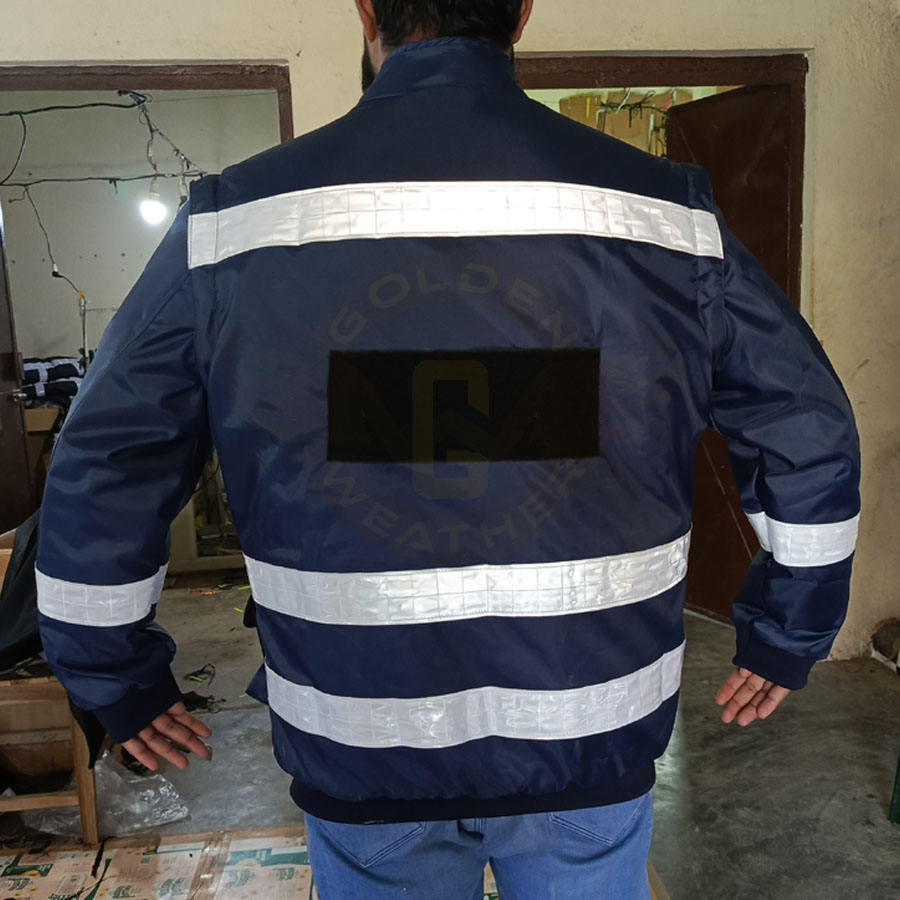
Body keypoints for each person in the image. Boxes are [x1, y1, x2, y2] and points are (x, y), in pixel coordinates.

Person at [35, 1, 860, 897]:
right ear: (522, 11)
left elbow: (107, 458)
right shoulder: (666, 219)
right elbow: (805, 425)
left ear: (366, 9)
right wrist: (788, 630)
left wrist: (113, 672)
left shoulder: (233, 226)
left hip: (362, 739)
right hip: (590, 727)